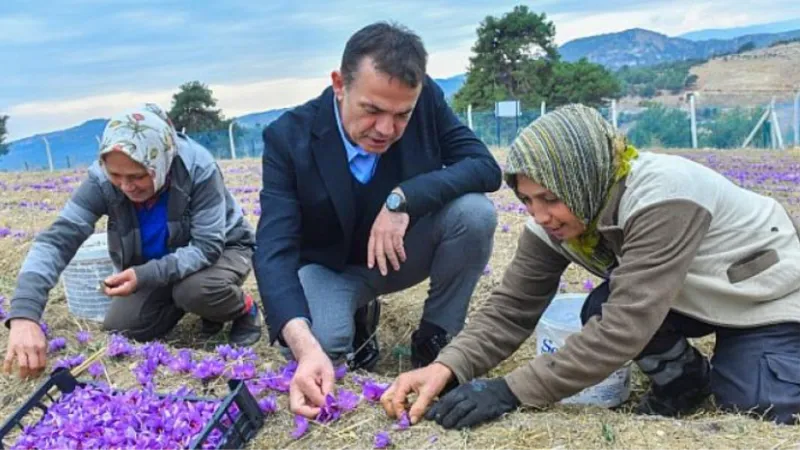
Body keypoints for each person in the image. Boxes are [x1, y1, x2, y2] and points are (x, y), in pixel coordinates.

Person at [381, 104, 800, 429]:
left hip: (759, 295)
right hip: (684, 292)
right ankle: (686, 380)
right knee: (598, 308)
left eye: (549, 197)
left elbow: (626, 325)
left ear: (582, 177)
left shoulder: (663, 197)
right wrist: (447, 367)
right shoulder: (562, 217)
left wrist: (509, 392)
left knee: (759, 402)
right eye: (527, 200)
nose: (539, 214)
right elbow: (512, 308)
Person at [253, 21, 501, 419]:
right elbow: (274, 249)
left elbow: (484, 167)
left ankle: (437, 338)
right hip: (331, 267)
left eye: (402, 114)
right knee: (322, 352)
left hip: (400, 253)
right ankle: (354, 318)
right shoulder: (288, 137)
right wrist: (303, 344)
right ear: (339, 84)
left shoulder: (426, 100)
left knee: (474, 213)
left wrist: (403, 199)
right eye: (371, 110)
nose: (386, 129)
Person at [3, 104, 261, 379]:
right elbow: (57, 241)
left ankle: (243, 308)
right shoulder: (101, 180)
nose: (126, 187)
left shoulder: (197, 167)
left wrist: (146, 275)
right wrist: (25, 314)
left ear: (160, 162)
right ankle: (200, 305)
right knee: (122, 327)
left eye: (138, 176)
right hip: (159, 263)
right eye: (116, 176)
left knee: (194, 290)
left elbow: (207, 247)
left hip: (224, 248)